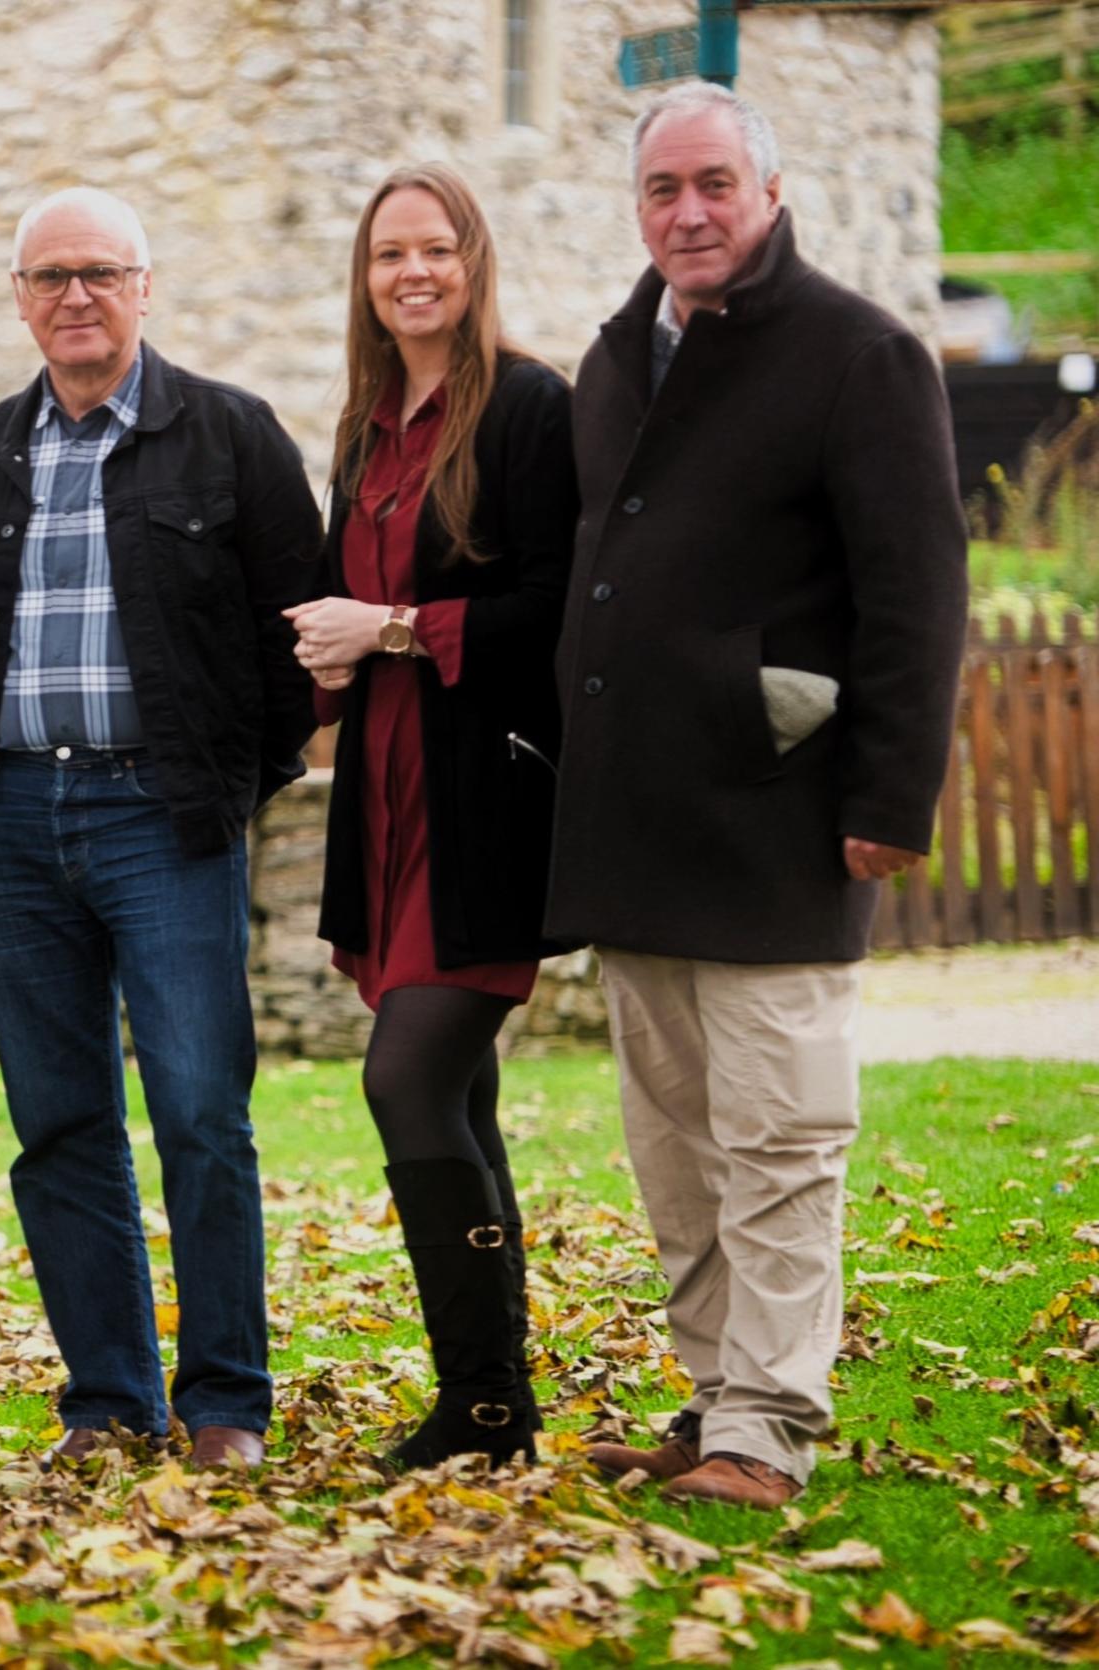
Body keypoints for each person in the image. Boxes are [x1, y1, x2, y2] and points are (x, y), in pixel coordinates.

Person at [550, 85, 968, 1507]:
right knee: (676, 1151)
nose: (689, 212)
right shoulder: (616, 360)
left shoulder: (863, 355)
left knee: (782, 1140)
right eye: (663, 189)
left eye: (715, 183)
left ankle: (768, 1429)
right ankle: (715, 1400)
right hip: (638, 823)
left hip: (784, 817)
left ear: (771, 191)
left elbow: (917, 598)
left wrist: (891, 800)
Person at [0, 187, 321, 1471]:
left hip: (164, 814)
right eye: (50, 275)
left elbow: (298, 648)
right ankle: (109, 1399)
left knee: (203, 1110)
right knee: (60, 1123)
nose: (76, 295)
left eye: (101, 271)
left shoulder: (232, 435)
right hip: (16, 822)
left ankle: (224, 1402)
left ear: (146, 287)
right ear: (21, 298)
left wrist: (222, 786)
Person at [288, 164, 578, 1470]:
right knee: (463, 1098)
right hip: (386, 799)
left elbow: (557, 612)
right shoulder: (364, 428)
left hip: (483, 808)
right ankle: (501, 1410)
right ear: (365, 277)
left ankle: (479, 1402)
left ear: (473, 260)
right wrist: (325, 674)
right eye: (388, 253)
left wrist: (396, 627)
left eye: (436, 249)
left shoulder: (527, 409)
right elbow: (340, 611)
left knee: (407, 1078)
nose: (412, 272)